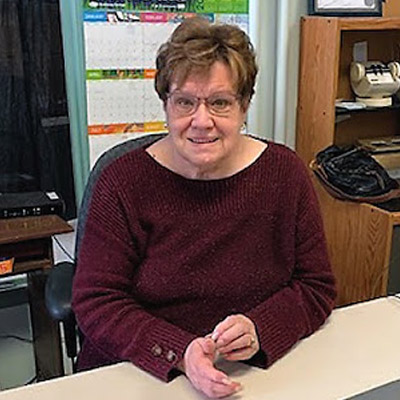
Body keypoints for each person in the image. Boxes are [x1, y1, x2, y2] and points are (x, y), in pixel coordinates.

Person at [72, 16, 336, 399]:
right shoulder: (122, 182)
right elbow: (96, 302)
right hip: (139, 376)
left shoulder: (285, 173)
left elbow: (316, 287)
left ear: (244, 106)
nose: (201, 121)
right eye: (184, 102)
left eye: (219, 102)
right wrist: (179, 352)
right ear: (165, 103)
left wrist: (260, 328)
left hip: (252, 376)